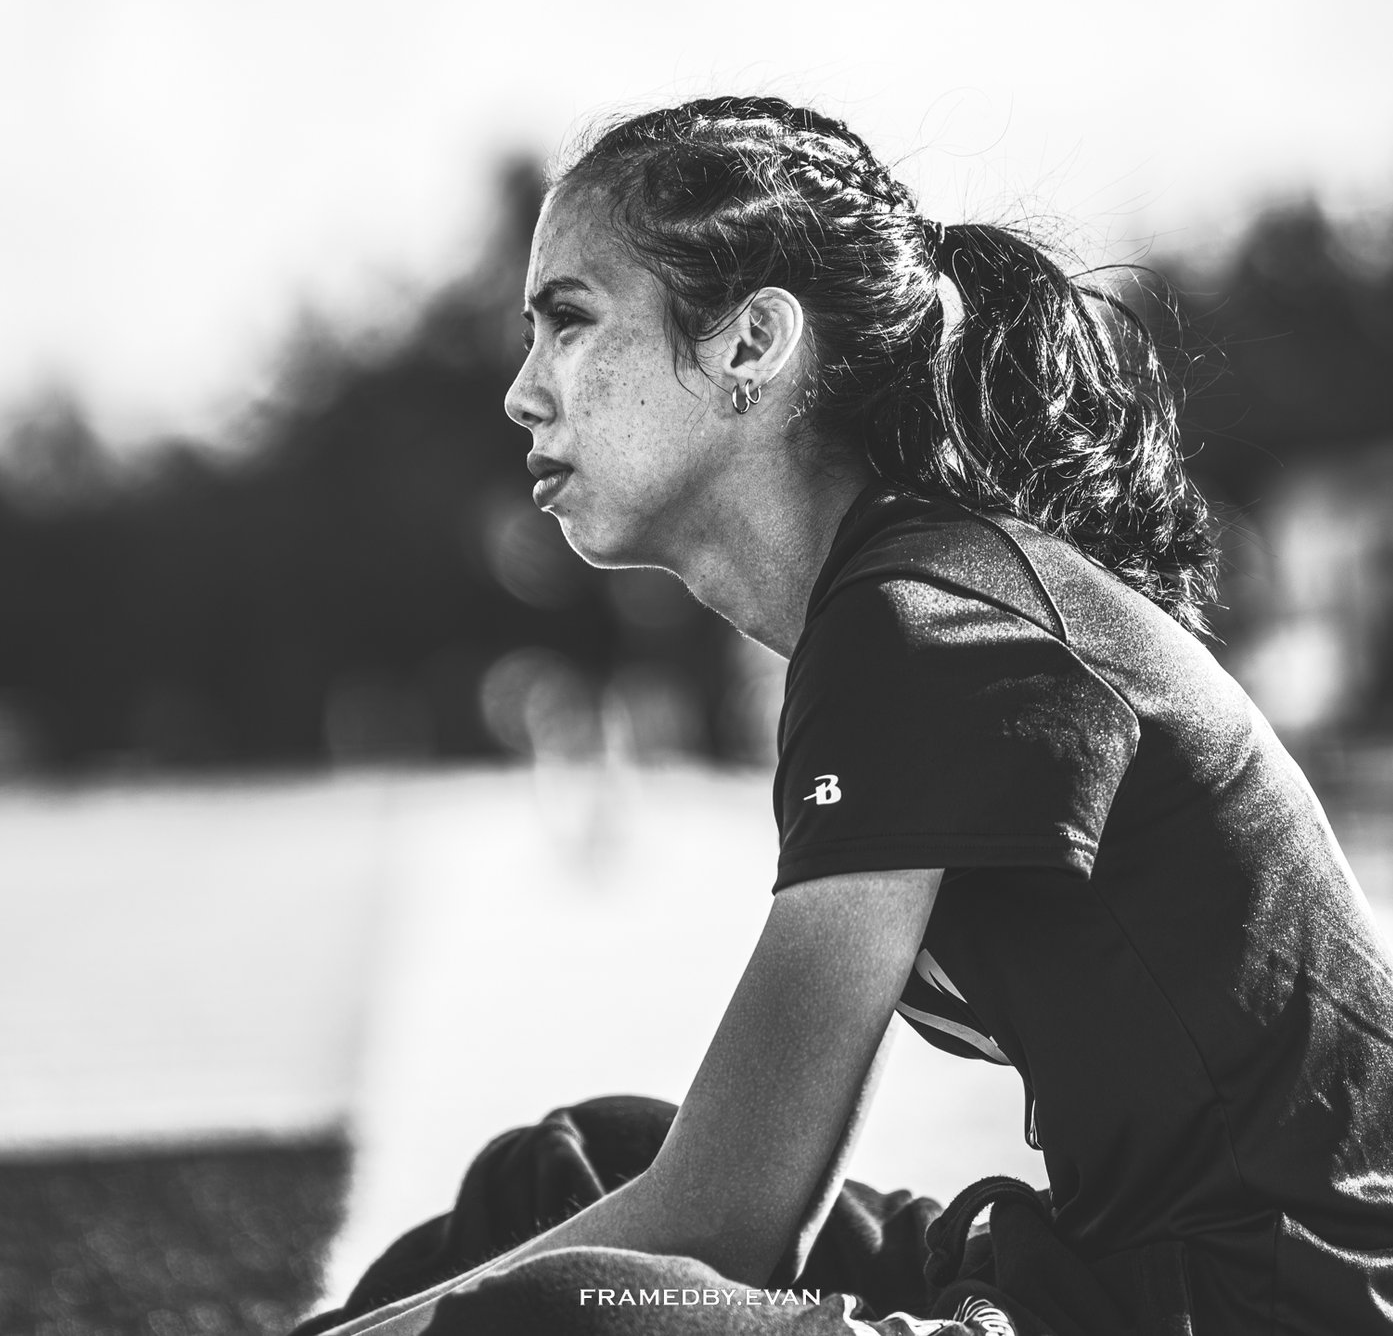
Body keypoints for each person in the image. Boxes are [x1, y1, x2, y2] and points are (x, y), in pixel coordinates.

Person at [299, 96, 1393, 1336]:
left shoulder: (924, 626)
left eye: (570, 322)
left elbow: (732, 1218)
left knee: (556, 1317)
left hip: (1269, 1311)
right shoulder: (890, 608)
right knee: (568, 1179)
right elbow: (736, 1200)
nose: (521, 392)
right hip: (1114, 1273)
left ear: (752, 344)